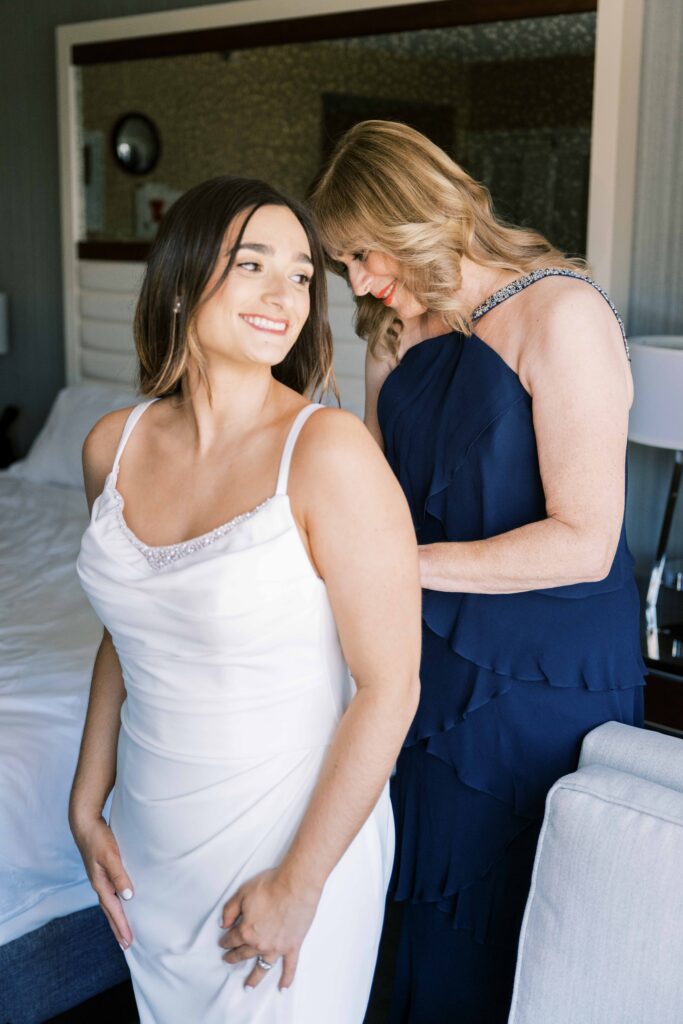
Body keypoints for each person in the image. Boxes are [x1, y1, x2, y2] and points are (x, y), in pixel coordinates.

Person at [310, 120, 647, 1023]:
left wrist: (387, 567)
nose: (360, 283)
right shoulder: (392, 331)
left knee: (515, 911)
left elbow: (581, 538)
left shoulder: (561, 314)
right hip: (419, 650)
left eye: (365, 254)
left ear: (420, 217)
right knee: (410, 894)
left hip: (542, 665)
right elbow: (379, 498)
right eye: (344, 263)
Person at [69, 175, 421, 1024]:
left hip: (290, 839)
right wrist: (86, 800)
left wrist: (301, 884)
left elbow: (390, 687)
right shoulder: (111, 446)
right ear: (185, 278)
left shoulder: (328, 451)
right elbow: (131, 628)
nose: (284, 296)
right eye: (253, 264)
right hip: (155, 841)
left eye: (302, 275)